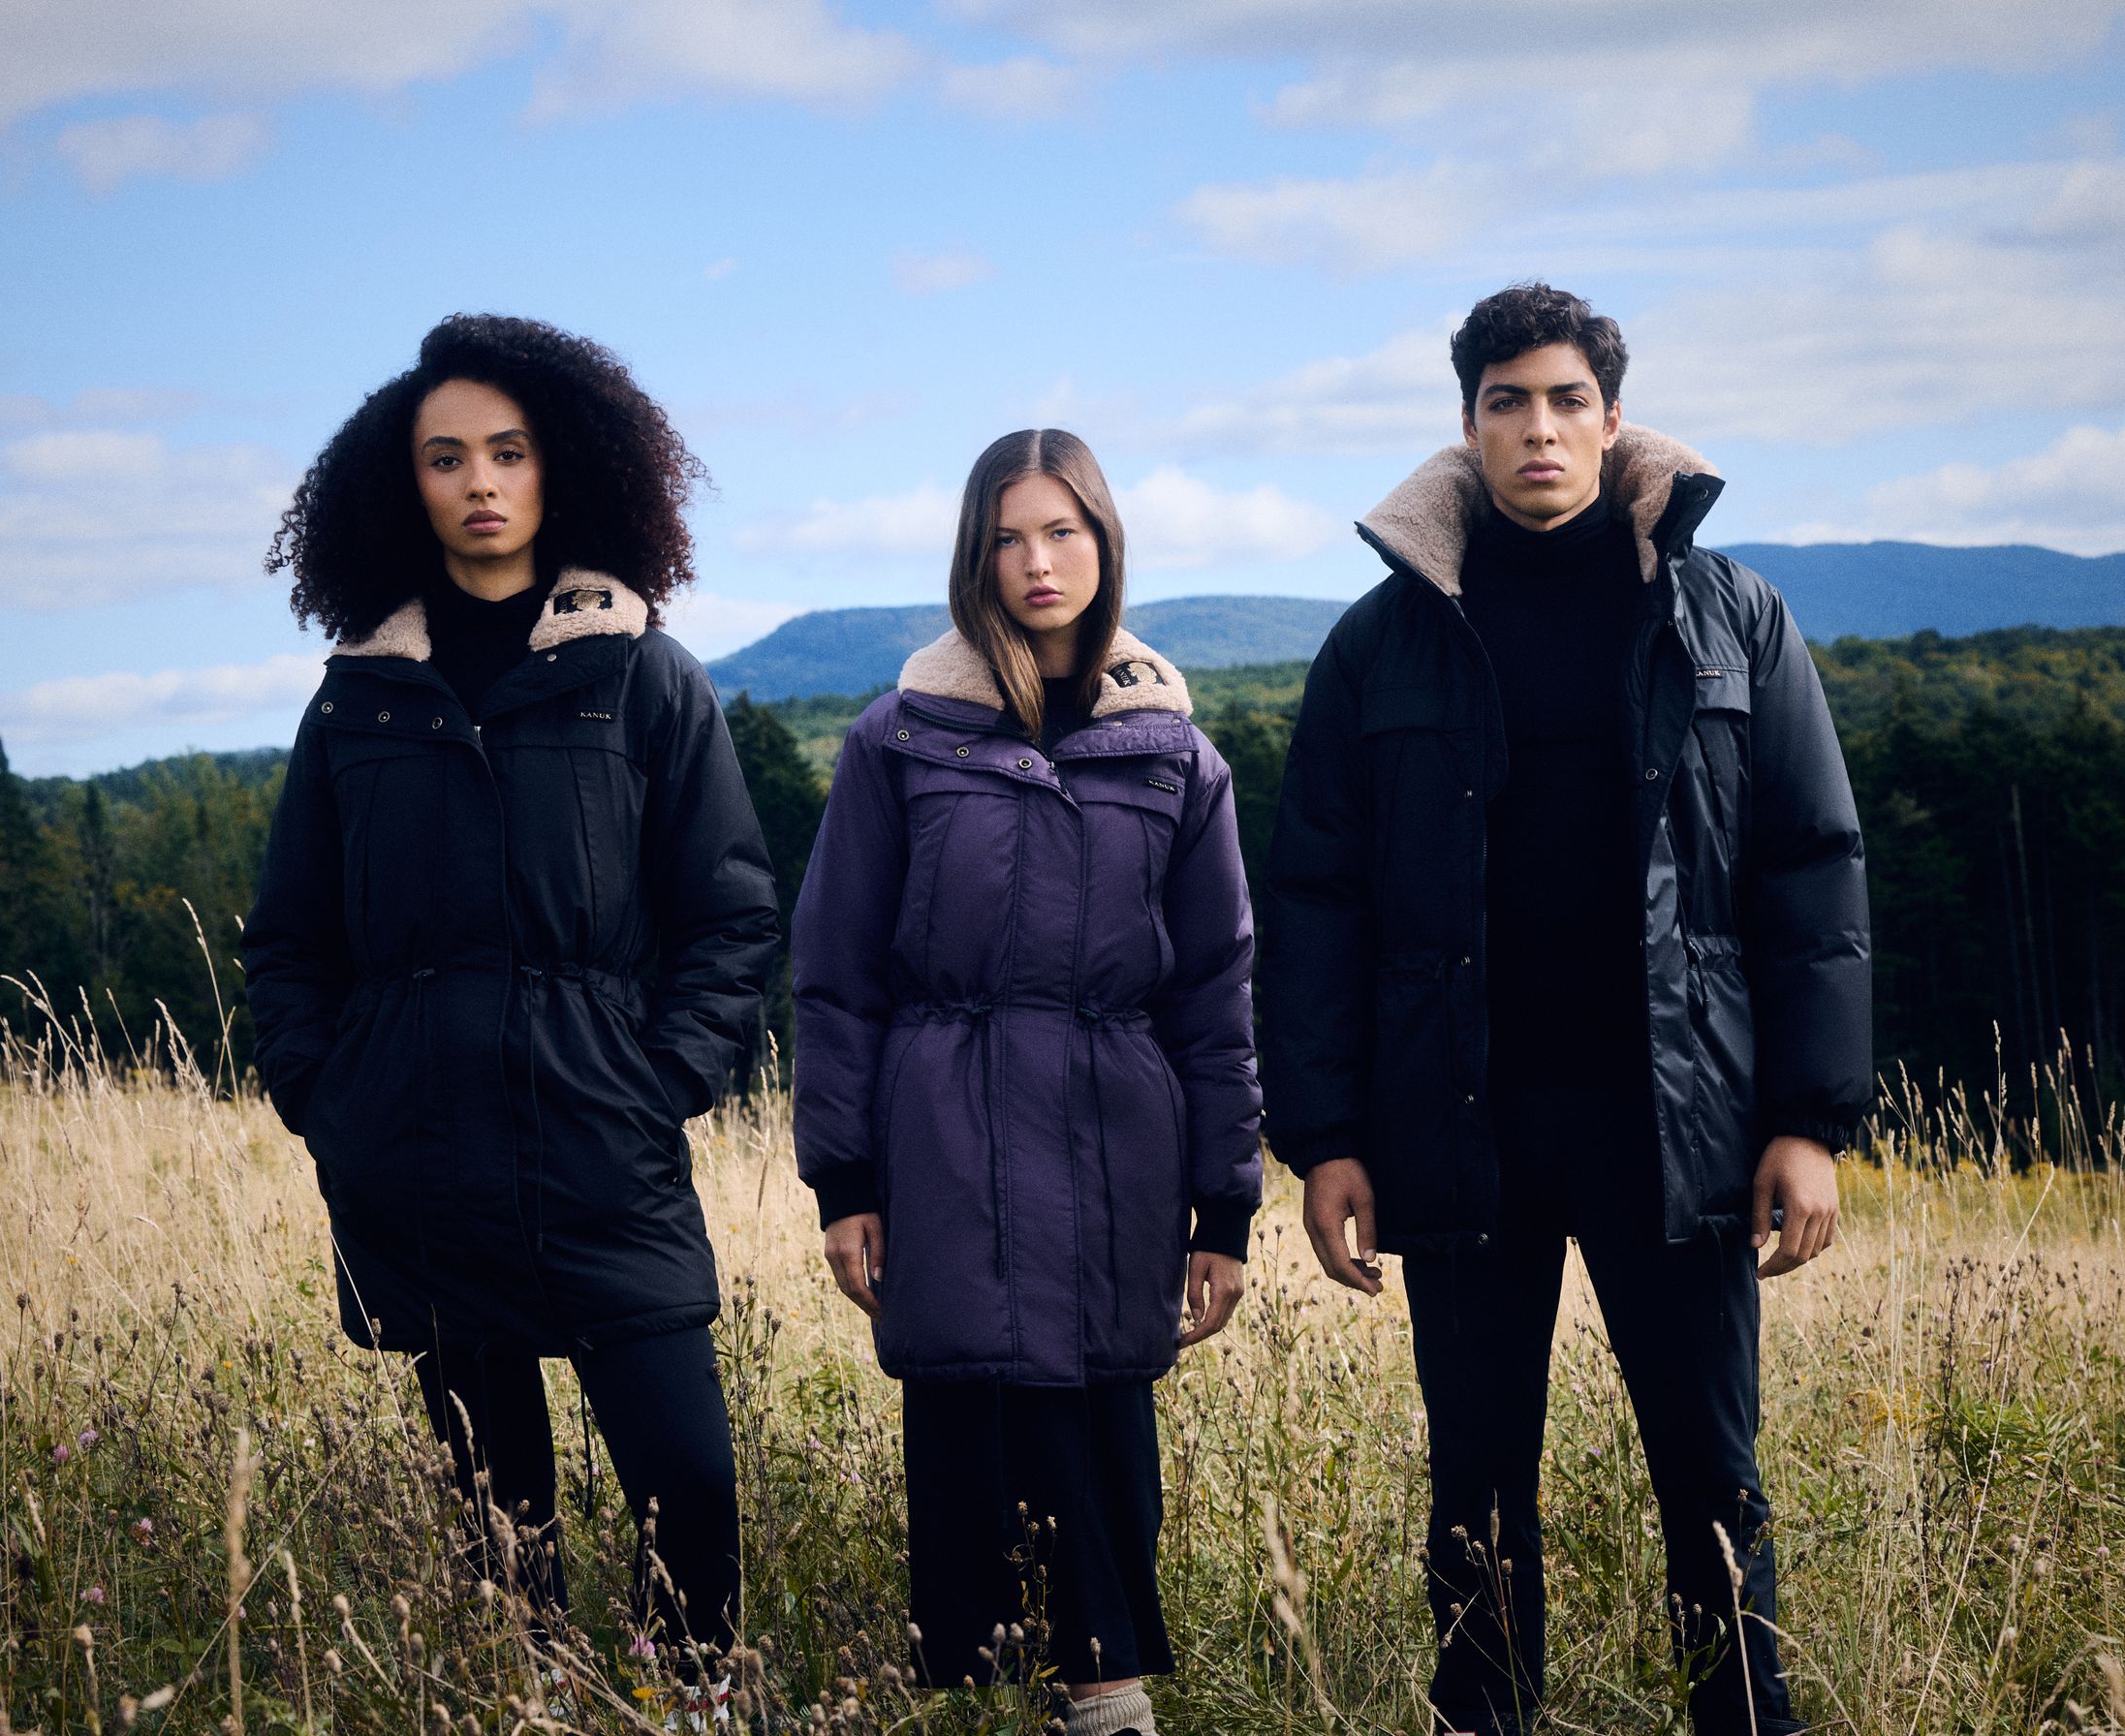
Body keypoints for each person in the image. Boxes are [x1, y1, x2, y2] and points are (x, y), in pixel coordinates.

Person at [1262, 284, 1870, 1736]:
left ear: (1611, 414)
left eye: (1565, 400)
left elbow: (1810, 868)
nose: (1538, 429)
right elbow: (1317, 898)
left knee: (1712, 1479)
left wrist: (1808, 1120)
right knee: (1474, 1486)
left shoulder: (1731, 617)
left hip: (1681, 1124)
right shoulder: (1380, 643)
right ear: (1467, 425)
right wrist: (1328, 1133)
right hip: (1462, 1124)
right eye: (1504, 402)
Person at [244, 314, 778, 1713]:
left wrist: (660, 1077)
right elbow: (291, 939)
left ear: (563, 468)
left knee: (690, 1485)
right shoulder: (357, 701)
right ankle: (530, 1705)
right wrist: (330, 1091)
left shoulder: (644, 673)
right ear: (400, 484)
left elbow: (729, 914)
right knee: (501, 1532)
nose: (479, 481)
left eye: (508, 451)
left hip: (603, 1143)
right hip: (416, 1155)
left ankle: (700, 1701)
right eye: (444, 458)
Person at [791, 429, 1263, 1736]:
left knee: (1097, 1447)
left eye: (1062, 531)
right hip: (943, 1146)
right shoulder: (901, 741)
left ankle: (1107, 1711)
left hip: (1120, 1156)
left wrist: (1223, 1212)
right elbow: (836, 974)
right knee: (973, 1451)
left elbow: (1216, 996)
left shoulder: (1175, 756)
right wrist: (845, 1180)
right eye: (1007, 536)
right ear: (972, 555)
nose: (1036, 562)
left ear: (1104, 545)